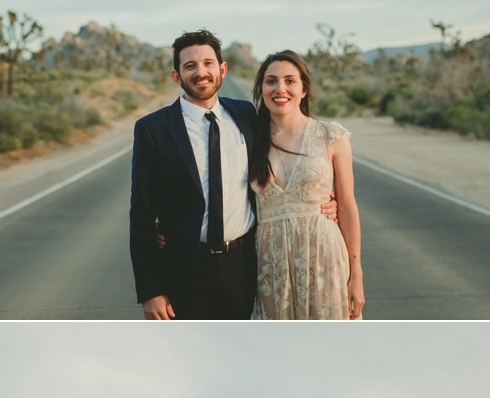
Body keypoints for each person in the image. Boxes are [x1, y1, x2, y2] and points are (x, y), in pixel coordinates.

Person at [129, 30, 339, 321]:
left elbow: (291, 162)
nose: (200, 72)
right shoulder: (153, 129)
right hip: (184, 267)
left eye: (207, 63)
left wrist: (326, 200)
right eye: (190, 66)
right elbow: (141, 214)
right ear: (176, 76)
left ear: (222, 69)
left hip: (242, 264)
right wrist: (150, 290)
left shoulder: (245, 116)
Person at [251, 53, 364, 320]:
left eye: (290, 81)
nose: (280, 89)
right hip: (270, 261)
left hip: (324, 255)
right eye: (271, 81)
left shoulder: (331, 136)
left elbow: (347, 206)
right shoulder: (248, 137)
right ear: (261, 89)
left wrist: (356, 275)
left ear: (303, 89)